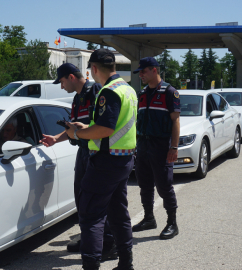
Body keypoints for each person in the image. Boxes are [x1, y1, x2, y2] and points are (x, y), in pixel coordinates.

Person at [65, 48, 137, 270]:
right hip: (123, 160)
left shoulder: (108, 91)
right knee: (118, 214)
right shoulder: (128, 89)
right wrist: (88, 127)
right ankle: (126, 264)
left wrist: (77, 133)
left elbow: (105, 129)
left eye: (91, 71)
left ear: (94, 68)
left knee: (90, 217)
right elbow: (116, 127)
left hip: (105, 163)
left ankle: (91, 266)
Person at [39, 63, 117, 261]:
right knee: (82, 199)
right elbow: (74, 130)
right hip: (83, 152)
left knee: (98, 202)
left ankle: (108, 245)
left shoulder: (97, 92)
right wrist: (57, 138)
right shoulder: (77, 98)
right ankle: (89, 239)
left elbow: (103, 126)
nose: (61, 86)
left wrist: (83, 129)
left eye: (62, 81)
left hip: (97, 153)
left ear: (71, 77)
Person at [133, 57, 180, 240]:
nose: (141, 75)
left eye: (143, 71)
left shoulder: (169, 92)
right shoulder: (142, 93)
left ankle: (172, 223)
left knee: (164, 186)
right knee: (144, 185)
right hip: (143, 146)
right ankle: (149, 218)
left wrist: (174, 147)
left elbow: (175, 121)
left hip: (161, 146)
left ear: (154, 70)